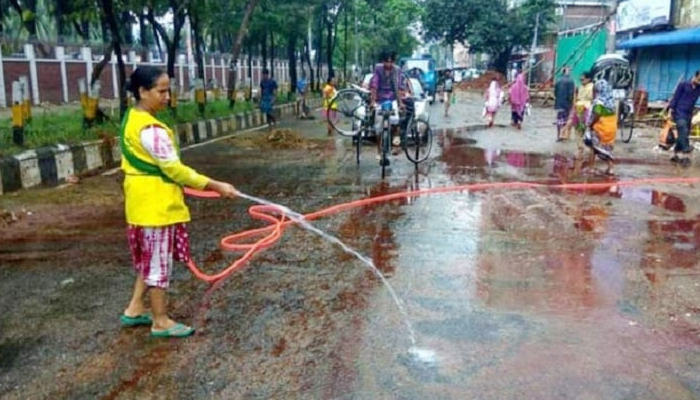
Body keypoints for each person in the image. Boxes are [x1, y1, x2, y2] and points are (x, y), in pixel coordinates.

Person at [120, 66, 238, 338]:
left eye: (168, 90)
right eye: (161, 91)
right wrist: (216, 185)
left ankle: (135, 308)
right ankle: (160, 321)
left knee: (149, 258)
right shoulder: (152, 130)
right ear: (142, 91)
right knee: (158, 263)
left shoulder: (132, 118)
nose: (167, 97)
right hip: (157, 206)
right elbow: (175, 170)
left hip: (140, 202)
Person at [370, 50, 406, 166]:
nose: (389, 64)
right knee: (378, 126)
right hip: (380, 99)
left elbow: (398, 87)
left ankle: (395, 143)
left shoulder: (396, 70)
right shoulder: (378, 69)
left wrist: (400, 103)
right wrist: (372, 101)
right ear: (383, 61)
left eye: (391, 62)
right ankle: (379, 150)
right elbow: (374, 85)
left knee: (395, 120)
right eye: (387, 62)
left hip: (392, 98)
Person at [584, 79, 617, 176]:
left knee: (594, 147)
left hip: (600, 128)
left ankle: (591, 167)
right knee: (606, 149)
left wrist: (590, 124)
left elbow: (597, 114)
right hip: (611, 128)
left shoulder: (599, 103)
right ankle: (611, 168)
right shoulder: (611, 102)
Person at [667, 70, 700, 166]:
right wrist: (670, 112)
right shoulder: (683, 85)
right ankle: (686, 151)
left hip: (689, 114)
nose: (699, 82)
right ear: (695, 76)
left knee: (683, 134)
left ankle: (675, 155)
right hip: (679, 112)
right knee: (683, 129)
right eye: (699, 80)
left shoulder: (699, 88)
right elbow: (675, 98)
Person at [568, 71, 594, 147]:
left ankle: (589, 146)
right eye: (580, 80)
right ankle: (580, 146)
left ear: (588, 79)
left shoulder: (593, 87)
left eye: (583, 79)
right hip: (579, 108)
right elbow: (576, 98)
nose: (581, 81)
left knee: (587, 127)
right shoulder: (579, 87)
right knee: (578, 127)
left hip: (588, 109)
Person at [554, 66, 575, 141]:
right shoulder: (571, 81)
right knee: (566, 120)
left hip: (558, 103)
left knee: (559, 120)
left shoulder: (558, 80)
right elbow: (571, 94)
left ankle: (559, 135)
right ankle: (564, 135)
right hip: (566, 104)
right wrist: (571, 103)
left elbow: (555, 92)